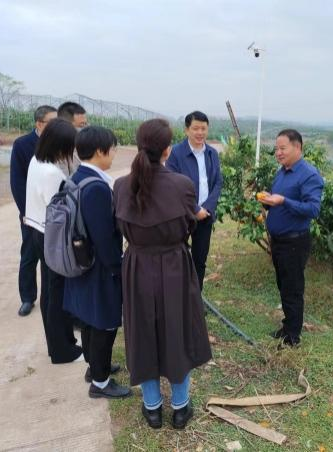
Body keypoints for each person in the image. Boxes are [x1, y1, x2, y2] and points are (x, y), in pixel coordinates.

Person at [114, 118, 212, 430]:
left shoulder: (120, 186)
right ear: (168, 149)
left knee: (142, 332)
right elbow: (190, 224)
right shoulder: (183, 185)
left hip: (137, 266)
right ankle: (181, 407)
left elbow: (119, 226)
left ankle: (152, 407)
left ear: (139, 145)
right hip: (174, 265)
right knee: (177, 330)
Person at [62, 126, 130, 398]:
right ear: (101, 151)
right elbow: (103, 237)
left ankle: (94, 367)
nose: (114, 154)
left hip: (82, 262)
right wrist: (118, 267)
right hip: (99, 267)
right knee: (105, 323)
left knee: (90, 319)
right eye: (113, 149)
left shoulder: (77, 177)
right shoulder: (97, 188)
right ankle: (100, 383)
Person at [257, 129, 324, 348]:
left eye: (282, 148)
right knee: (283, 285)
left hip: (294, 242)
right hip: (279, 241)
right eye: (276, 148)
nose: (278, 152)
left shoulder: (309, 175)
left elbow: (313, 209)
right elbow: (279, 202)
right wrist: (268, 201)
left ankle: (293, 336)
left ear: (298, 147)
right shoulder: (282, 172)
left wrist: (283, 201)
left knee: (293, 288)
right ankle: (287, 327)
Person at [24, 118, 83, 363]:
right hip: (51, 235)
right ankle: (62, 350)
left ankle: (58, 345)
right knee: (57, 293)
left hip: (37, 229)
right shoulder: (51, 173)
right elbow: (59, 212)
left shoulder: (37, 161)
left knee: (50, 290)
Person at [166, 111, 222, 290]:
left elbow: (217, 183)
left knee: (200, 259)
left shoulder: (212, 153)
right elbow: (173, 185)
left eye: (203, 128)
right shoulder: (176, 153)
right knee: (177, 257)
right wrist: (194, 209)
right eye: (196, 128)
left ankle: (196, 297)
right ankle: (177, 295)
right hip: (182, 216)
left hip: (205, 216)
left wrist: (206, 208)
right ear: (186, 130)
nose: (200, 133)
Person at [10, 105, 57, 316]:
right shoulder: (22, 145)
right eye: (52, 122)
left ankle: (53, 299)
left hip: (55, 214)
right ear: (39, 123)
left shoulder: (59, 144)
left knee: (54, 258)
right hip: (32, 214)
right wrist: (26, 212)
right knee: (29, 255)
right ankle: (27, 297)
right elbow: (17, 182)